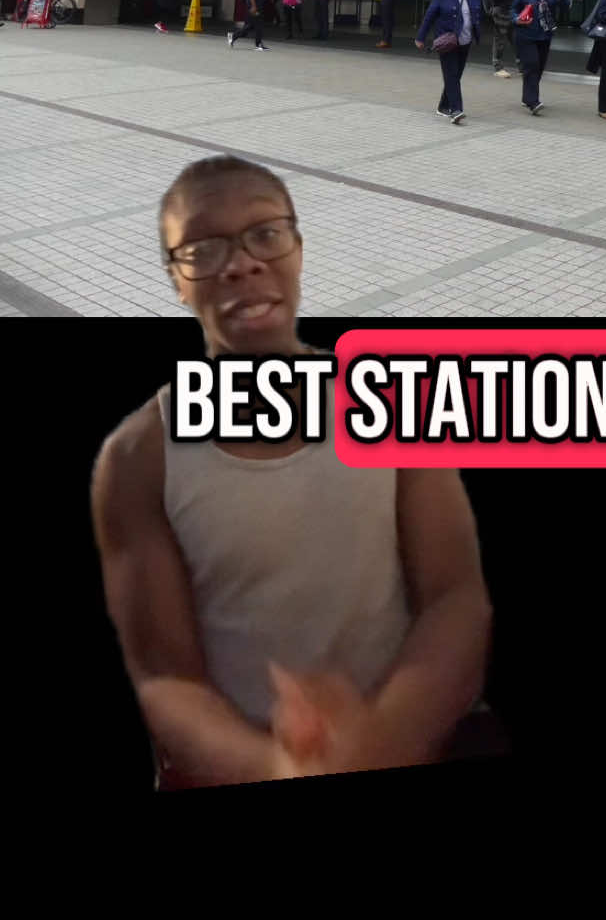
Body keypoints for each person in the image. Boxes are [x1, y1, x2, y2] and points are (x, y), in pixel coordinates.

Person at [90, 154, 496, 789]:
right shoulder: (138, 459)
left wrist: (385, 737)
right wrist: (274, 765)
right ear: (176, 281)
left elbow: (455, 599)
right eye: (202, 249)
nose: (243, 262)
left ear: (299, 249)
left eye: (266, 233)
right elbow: (167, 679)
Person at [415, 0, 483, 126]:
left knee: (455, 76)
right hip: (447, 41)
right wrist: (420, 37)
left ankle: (442, 106)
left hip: (465, 40)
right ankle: (456, 110)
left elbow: (476, 13)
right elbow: (430, 14)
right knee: (452, 75)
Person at [510, 0, 569, 115]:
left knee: (538, 68)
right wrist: (517, 19)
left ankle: (526, 97)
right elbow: (513, 10)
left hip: (544, 35)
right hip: (525, 34)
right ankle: (532, 101)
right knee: (532, 65)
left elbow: (565, 7)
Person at [486, 0, 519, 78]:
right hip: (500, 13)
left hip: (510, 11)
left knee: (515, 39)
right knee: (500, 40)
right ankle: (497, 67)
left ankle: (521, 65)